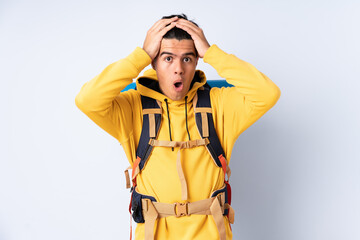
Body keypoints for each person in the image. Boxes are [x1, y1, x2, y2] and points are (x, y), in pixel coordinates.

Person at [75, 14, 280, 240]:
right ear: (154, 62)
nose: (178, 69)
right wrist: (139, 56)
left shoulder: (218, 103)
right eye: (168, 58)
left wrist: (212, 53)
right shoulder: (132, 107)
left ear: (196, 62)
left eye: (187, 59)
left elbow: (267, 94)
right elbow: (87, 100)